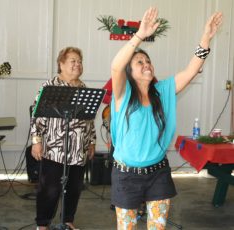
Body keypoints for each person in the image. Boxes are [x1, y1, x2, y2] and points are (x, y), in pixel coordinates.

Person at [110, 7, 222, 229]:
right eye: (139, 62)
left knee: (158, 227)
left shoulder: (163, 91)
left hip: (157, 173)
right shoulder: (123, 94)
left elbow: (191, 71)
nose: (146, 64)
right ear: (130, 72)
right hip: (126, 176)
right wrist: (139, 36)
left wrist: (205, 38)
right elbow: (116, 66)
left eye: (148, 61)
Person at [31, 47, 96, 230]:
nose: (78, 65)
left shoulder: (84, 88)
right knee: (49, 189)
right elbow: (36, 116)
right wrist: (36, 142)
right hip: (54, 149)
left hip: (78, 149)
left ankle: (68, 220)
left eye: (80, 61)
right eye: (73, 61)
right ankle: (42, 224)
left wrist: (91, 141)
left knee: (74, 188)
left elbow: (89, 119)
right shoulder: (50, 87)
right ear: (61, 64)